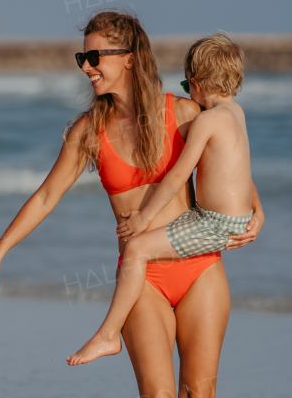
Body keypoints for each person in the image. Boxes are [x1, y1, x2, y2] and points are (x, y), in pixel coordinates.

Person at [0, 11, 263, 398]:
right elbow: (45, 196)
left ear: (129, 58)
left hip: (200, 269)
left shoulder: (186, 111)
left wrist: (256, 213)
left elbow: (231, 163)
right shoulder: (90, 131)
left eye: (94, 56)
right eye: (82, 57)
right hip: (143, 275)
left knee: (201, 397)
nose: (86, 67)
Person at [67, 33, 252, 365]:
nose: (187, 94)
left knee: (136, 248)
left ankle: (108, 334)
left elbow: (177, 177)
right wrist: (257, 212)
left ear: (196, 82)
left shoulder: (206, 120)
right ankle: (108, 335)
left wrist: (142, 218)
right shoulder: (237, 114)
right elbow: (237, 167)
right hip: (235, 220)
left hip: (212, 226)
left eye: (186, 85)